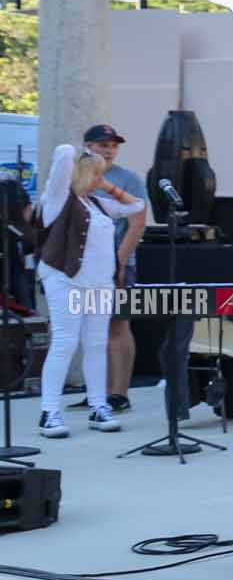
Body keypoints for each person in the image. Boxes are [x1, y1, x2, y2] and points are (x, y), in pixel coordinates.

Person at [33, 145, 143, 437]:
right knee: (65, 343)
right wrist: (81, 154)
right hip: (66, 279)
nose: (99, 180)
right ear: (82, 173)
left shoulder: (97, 203)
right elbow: (62, 154)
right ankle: (50, 412)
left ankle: (98, 406)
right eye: (96, 175)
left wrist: (107, 184)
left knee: (96, 343)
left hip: (99, 284)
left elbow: (136, 207)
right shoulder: (58, 199)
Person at [83, 124, 146, 415]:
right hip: (81, 268)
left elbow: (137, 223)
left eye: (113, 145)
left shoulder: (127, 179)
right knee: (91, 329)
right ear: (87, 146)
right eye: (102, 144)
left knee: (117, 325)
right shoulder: (76, 176)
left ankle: (119, 394)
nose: (109, 150)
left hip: (117, 263)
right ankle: (97, 392)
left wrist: (119, 263)